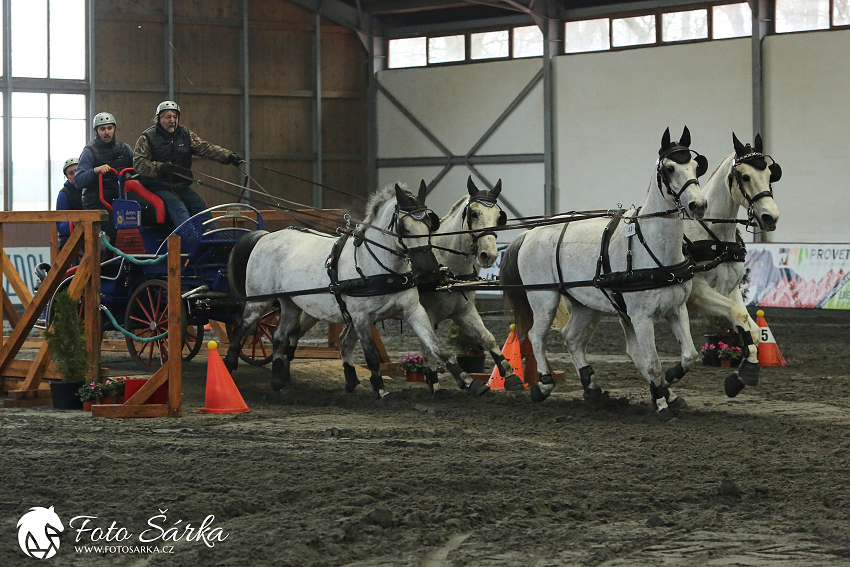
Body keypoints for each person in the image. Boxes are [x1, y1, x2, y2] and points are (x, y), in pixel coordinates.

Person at [133, 100, 243, 228]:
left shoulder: (185, 134)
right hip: (159, 186)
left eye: (175, 117)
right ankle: (188, 240)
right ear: (158, 118)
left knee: (203, 210)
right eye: (168, 117)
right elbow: (138, 164)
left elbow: (205, 148)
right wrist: (161, 167)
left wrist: (228, 156)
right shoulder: (147, 137)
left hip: (182, 185)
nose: (172, 120)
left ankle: (212, 240)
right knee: (180, 209)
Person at [74, 112, 134, 246]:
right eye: (102, 129)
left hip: (119, 204)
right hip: (97, 205)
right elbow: (79, 181)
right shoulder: (89, 151)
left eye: (109, 128)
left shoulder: (125, 149)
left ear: (114, 129)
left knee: (126, 240)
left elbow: (138, 171)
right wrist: (95, 171)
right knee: (104, 244)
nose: (106, 132)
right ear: (96, 131)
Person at [55, 158, 82, 252]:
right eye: (71, 173)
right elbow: (60, 225)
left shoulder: (92, 189)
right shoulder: (64, 194)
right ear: (67, 177)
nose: (75, 174)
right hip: (71, 238)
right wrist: (76, 224)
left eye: (77, 170)